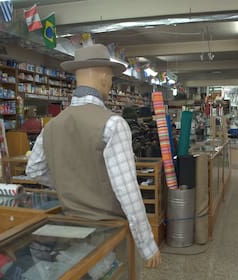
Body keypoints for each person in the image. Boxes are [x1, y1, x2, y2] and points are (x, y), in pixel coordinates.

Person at [25, 44, 161, 276]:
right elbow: (127, 192)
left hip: (70, 229)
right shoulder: (113, 123)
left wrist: (71, 183)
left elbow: (34, 169)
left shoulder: (51, 126)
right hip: (109, 233)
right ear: (105, 77)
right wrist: (147, 245)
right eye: (110, 77)